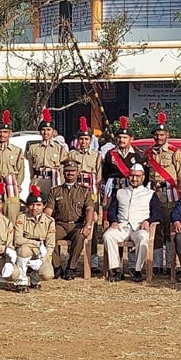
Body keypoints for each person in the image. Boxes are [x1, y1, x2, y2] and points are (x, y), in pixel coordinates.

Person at [104, 163, 162, 282]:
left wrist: (148, 221)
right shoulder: (120, 192)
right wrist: (113, 221)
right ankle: (116, 270)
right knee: (108, 236)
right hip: (122, 227)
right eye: (131, 176)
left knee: (143, 237)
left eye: (137, 176)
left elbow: (158, 213)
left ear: (143, 177)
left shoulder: (150, 193)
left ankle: (137, 270)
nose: (134, 179)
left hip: (139, 227)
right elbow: (111, 211)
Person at [145, 113, 181, 275]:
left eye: (162, 134)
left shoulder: (175, 152)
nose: (159, 137)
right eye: (156, 134)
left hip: (170, 194)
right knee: (156, 228)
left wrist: (179, 193)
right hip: (154, 194)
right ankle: (156, 263)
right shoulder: (149, 152)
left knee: (170, 230)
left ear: (167, 135)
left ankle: (170, 264)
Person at [44, 159, 95, 280]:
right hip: (60, 224)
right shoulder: (55, 191)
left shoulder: (85, 191)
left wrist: (88, 225)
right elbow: (48, 211)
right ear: (63, 172)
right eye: (67, 171)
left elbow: (90, 209)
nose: (70, 173)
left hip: (77, 225)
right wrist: (45, 224)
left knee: (80, 236)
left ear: (78, 173)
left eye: (73, 171)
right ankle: (56, 266)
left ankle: (71, 268)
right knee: (49, 235)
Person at [67, 117, 102, 271]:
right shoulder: (72, 154)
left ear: (90, 140)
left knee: (92, 224)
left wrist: (96, 197)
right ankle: (72, 255)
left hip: (91, 192)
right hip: (76, 191)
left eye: (86, 139)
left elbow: (99, 177)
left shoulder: (96, 155)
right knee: (74, 220)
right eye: (81, 139)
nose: (83, 142)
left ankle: (93, 259)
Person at [12, 185, 56, 290]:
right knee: (23, 250)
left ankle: (35, 278)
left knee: (48, 274)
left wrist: (44, 258)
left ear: (44, 206)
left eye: (38, 205)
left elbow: (50, 245)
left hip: (41, 252)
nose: (35, 208)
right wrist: (36, 244)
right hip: (26, 248)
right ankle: (21, 281)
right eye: (32, 205)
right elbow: (17, 240)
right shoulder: (22, 218)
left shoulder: (49, 221)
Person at [102, 116, 147, 204]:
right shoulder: (110, 154)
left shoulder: (137, 154)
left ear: (131, 139)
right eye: (119, 137)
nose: (121, 140)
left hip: (130, 189)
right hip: (113, 188)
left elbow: (144, 174)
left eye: (125, 137)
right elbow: (105, 173)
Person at [26, 108, 68, 198]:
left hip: (53, 181)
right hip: (38, 180)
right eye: (43, 130)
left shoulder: (59, 148)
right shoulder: (33, 148)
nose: (46, 132)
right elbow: (31, 168)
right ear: (40, 132)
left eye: (48, 130)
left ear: (53, 132)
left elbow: (62, 169)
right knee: (36, 203)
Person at [0, 110, 25, 221]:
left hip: (11, 186)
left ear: (9, 133)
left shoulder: (17, 151)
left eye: (5, 132)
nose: (2, 135)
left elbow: (21, 172)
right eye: (0, 132)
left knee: (12, 217)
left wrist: (18, 187)